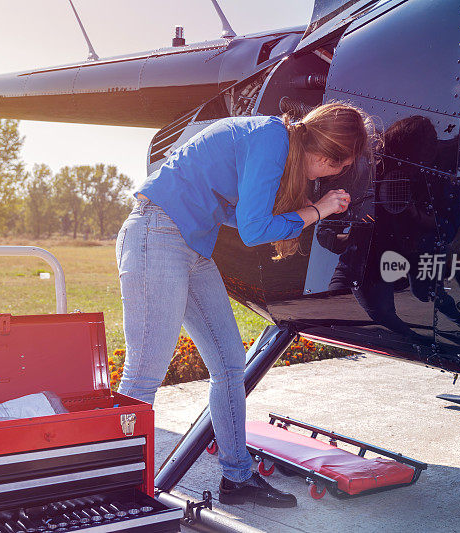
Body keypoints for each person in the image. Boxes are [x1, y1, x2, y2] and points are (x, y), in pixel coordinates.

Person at [115, 102, 375, 507]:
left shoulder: (276, 141)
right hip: (157, 233)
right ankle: (119, 489)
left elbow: (240, 215)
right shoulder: (272, 138)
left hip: (189, 244)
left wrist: (298, 212)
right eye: (339, 167)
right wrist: (317, 210)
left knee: (230, 362)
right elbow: (255, 231)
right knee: (143, 375)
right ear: (326, 157)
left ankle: (237, 479)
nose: (335, 175)